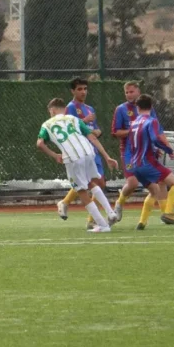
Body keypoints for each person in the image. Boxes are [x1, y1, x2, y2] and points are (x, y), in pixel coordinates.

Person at [37, 98, 119, 233]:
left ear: (52, 110)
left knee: (80, 190)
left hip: (72, 157)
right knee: (91, 183)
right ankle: (111, 213)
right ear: (64, 109)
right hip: (89, 152)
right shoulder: (74, 119)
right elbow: (92, 137)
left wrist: (55, 155)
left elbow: (40, 144)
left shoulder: (47, 124)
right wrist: (107, 156)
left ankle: (102, 225)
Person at [57, 78, 114, 229]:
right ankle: (92, 219)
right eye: (80, 89)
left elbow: (95, 129)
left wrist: (97, 131)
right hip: (79, 151)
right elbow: (67, 129)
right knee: (91, 182)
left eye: (85, 89)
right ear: (73, 91)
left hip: (92, 150)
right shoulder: (70, 108)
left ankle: (67, 204)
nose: (83, 92)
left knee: (98, 183)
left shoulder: (90, 108)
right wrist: (84, 120)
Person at [126, 94, 174, 229]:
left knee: (155, 190)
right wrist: (169, 150)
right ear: (151, 107)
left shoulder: (133, 123)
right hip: (148, 162)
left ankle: (142, 222)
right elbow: (155, 139)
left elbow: (133, 145)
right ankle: (169, 213)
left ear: (137, 107)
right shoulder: (151, 121)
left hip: (135, 165)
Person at [111, 80, 161, 224]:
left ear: (138, 92)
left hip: (145, 151)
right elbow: (115, 132)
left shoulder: (148, 108)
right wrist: (133, 131)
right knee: (132, 183)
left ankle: (160, 216)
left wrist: (157, 146)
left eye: (131, 91)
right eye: (126, 92)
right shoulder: (121, 109)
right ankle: (119, 204)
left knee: (155, 187)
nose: (129, 94)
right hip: (128, 151)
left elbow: (155, 128)